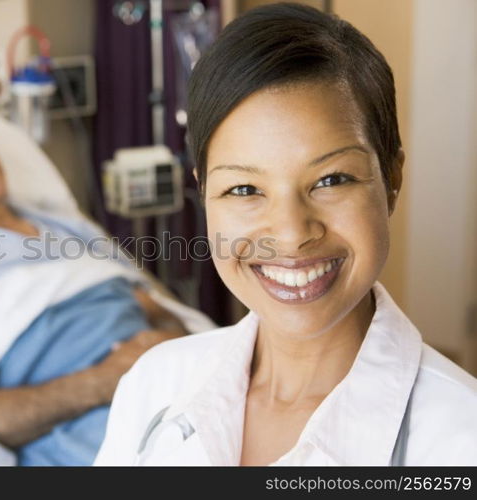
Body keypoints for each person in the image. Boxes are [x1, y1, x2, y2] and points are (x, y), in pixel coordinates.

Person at [95, 3, 477, 466]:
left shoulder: (460, 437)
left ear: (392, 179)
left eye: (332, 180)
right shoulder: (153, 385)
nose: (292, 233)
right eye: (243, 189)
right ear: (204, 192)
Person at [0, 92, 191, 466]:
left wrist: (169, 348)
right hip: (95, 436)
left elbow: (155, 307)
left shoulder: (67, 228)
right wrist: (102, 382)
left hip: (173, 391)